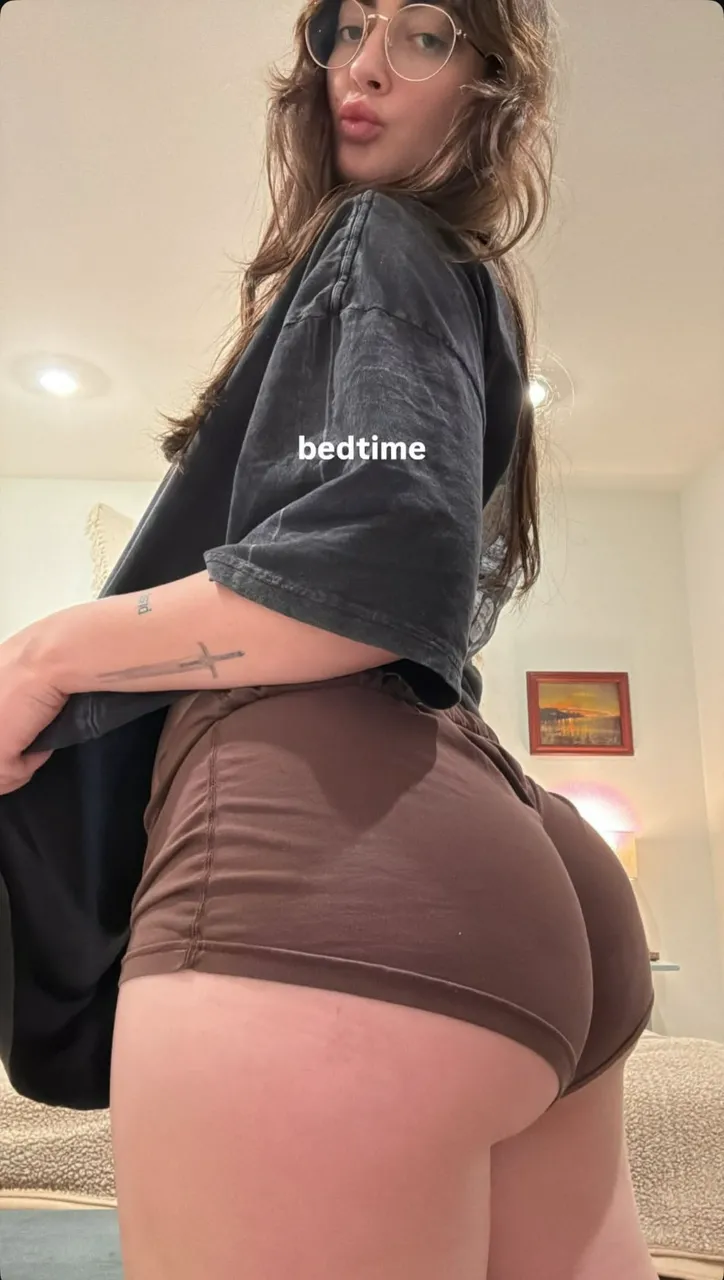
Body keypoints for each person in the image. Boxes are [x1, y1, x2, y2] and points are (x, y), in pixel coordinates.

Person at [0, 0, 657, 1276]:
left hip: (324, 849)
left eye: (425, 36)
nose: (364, 65)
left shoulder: (378, 238)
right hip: (515, 870)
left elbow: (363, 564)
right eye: (350, 26)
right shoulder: (465, 292)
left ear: (489, 86)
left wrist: (42, 655)